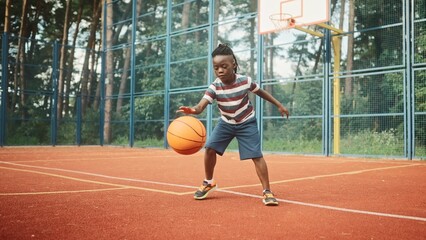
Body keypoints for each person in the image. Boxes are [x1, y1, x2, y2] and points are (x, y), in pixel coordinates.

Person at [177, 43, 289, 206]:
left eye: (224, 66)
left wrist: (279, 104)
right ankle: (209, 182)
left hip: (247, 122)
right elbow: (201, 106)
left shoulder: (245, 81)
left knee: (256, 156)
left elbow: (261, 92)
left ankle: (267, 191)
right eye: (216, 68)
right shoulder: (215, 86)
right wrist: (193, 110)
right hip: (226, 123)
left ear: (233, 64)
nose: (220, 70)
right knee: (209, 149)